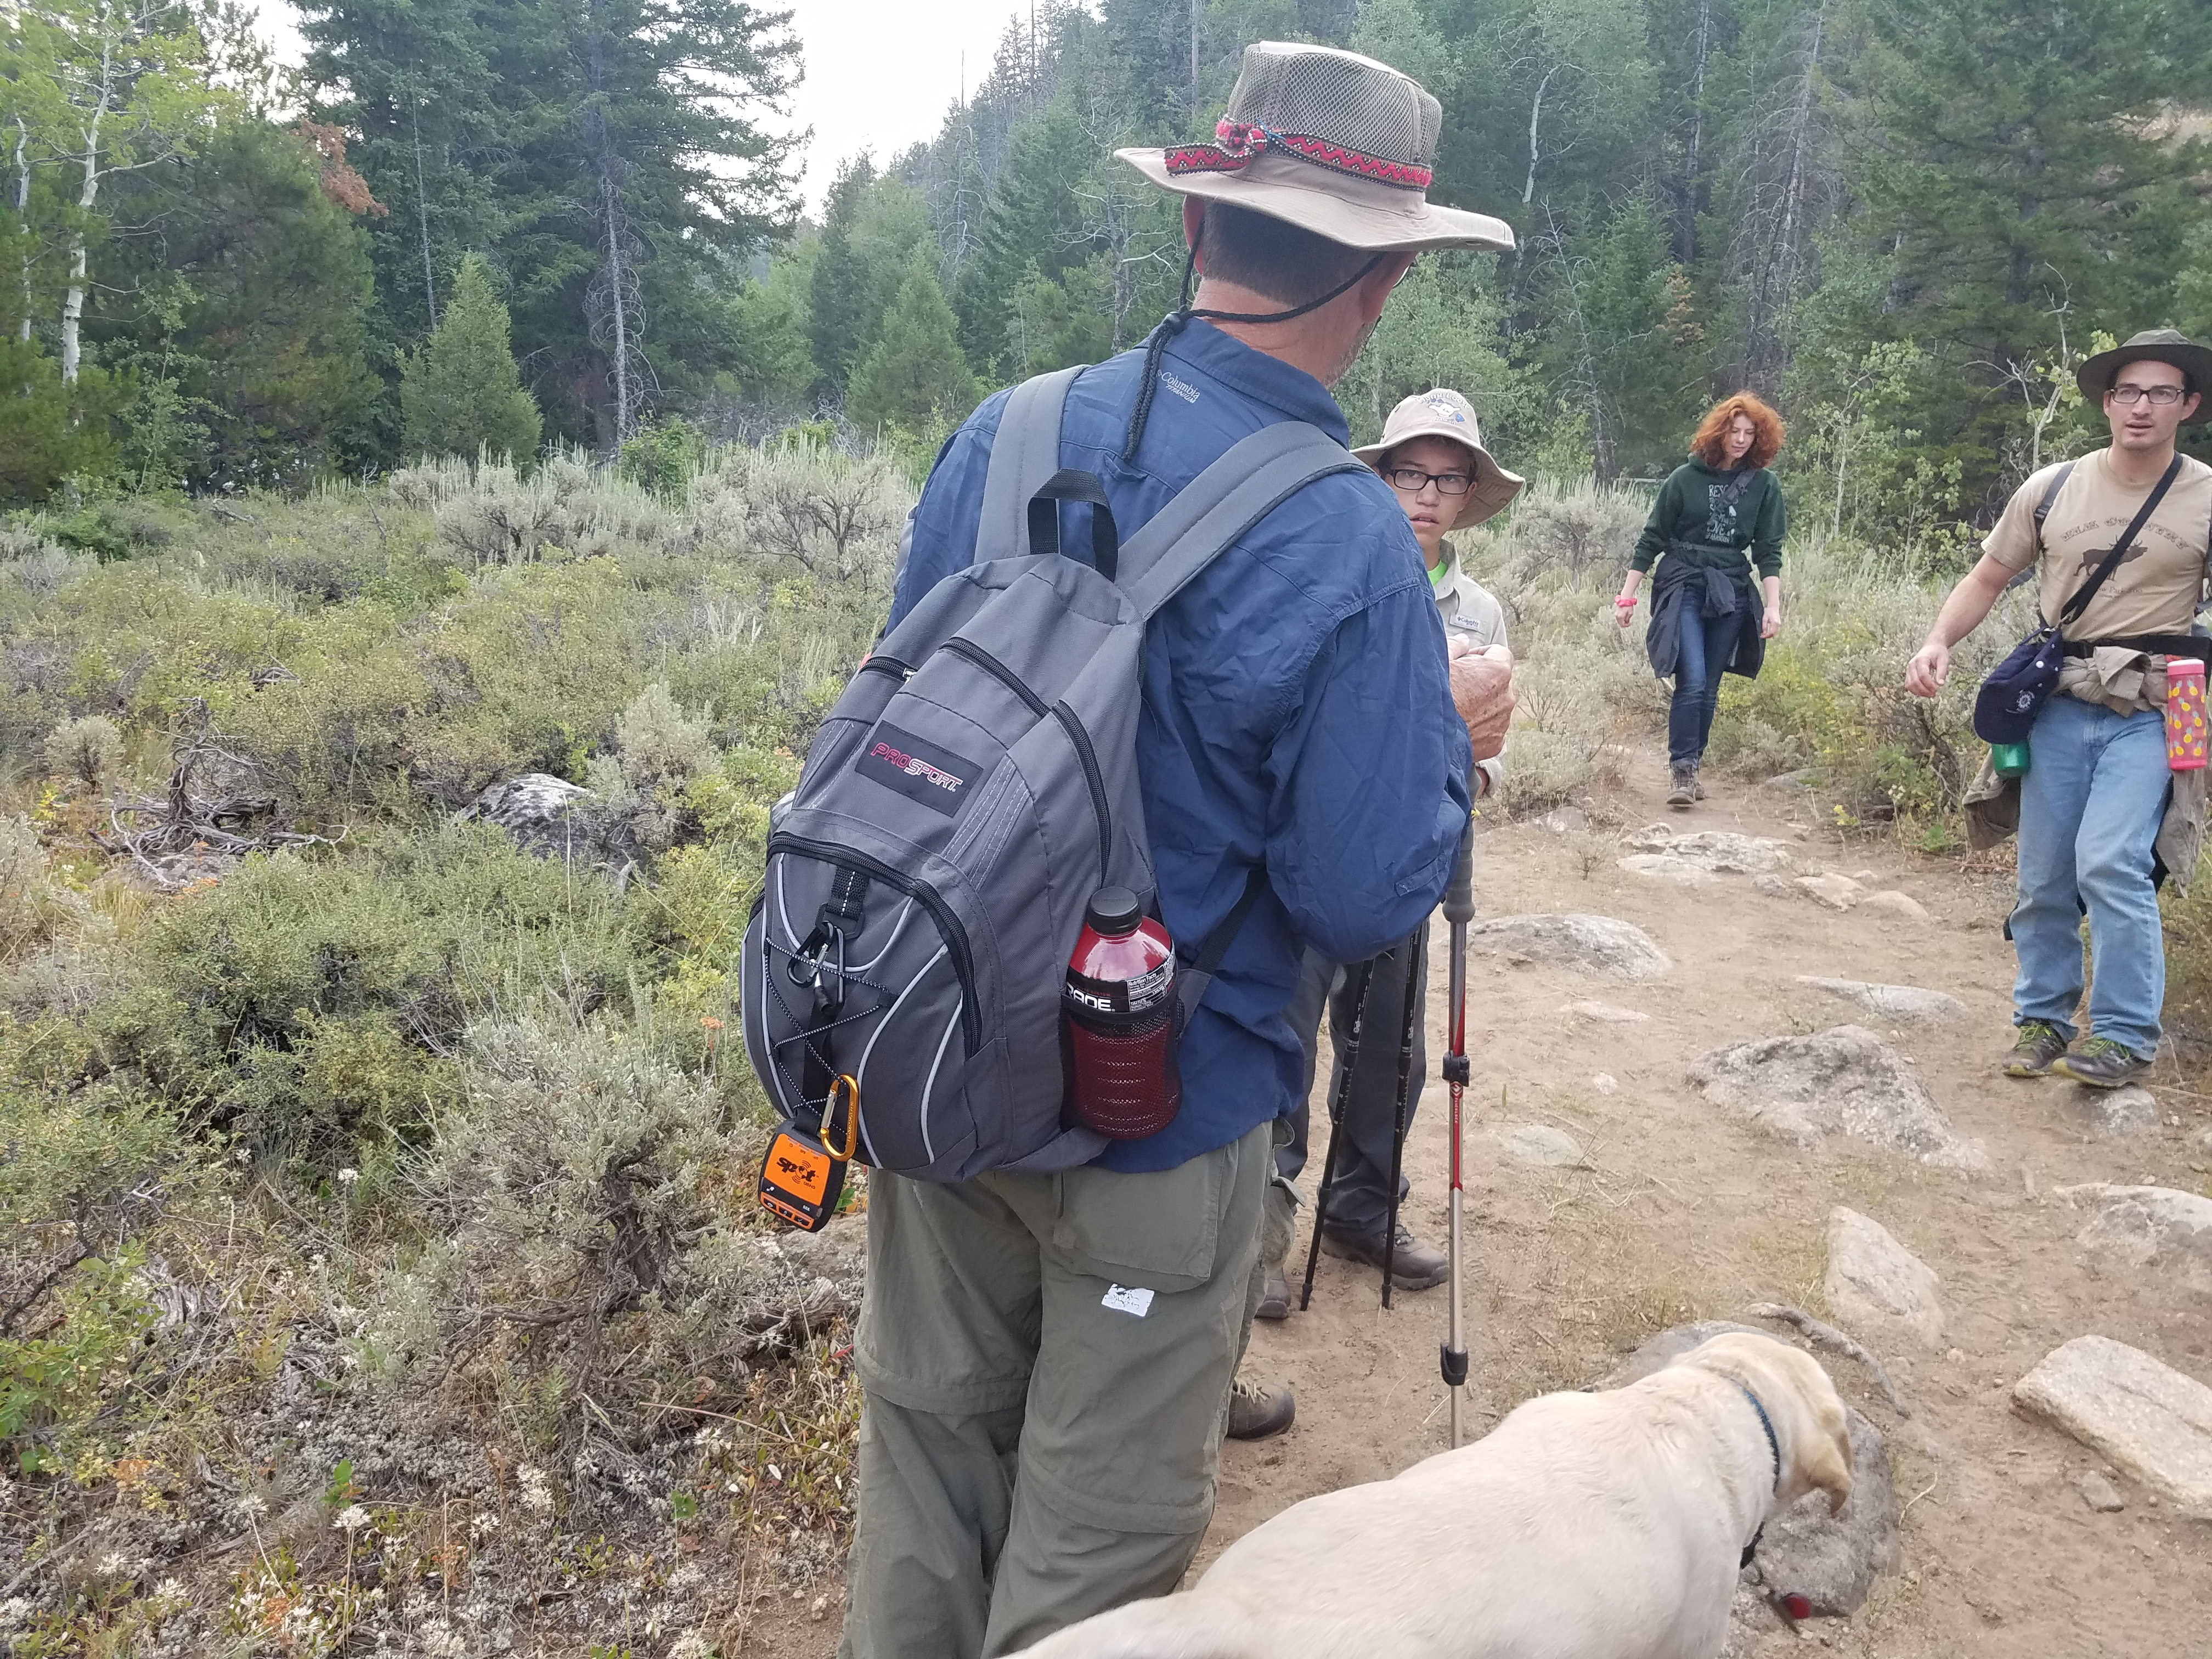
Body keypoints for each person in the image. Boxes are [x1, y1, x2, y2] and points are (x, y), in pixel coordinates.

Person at [837, 43, 1517, 1659]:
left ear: (1203, 225)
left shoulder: (1000, 434)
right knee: (1098, 1540)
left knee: (927, 1460)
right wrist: (1453, 748)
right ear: (1390, 277)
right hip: (1171, 1107)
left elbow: (906, 731)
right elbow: (1362, 896)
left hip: (940, 1057)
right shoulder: (1348, 533)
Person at [1244, 388, 1520, 1340]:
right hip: (1317, 845)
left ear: (1469, 491)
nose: (1428, 492)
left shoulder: (1481, 608)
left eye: (1449, 476)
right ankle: (1264, 1226)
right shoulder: (1334, 571)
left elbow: (1486, 743)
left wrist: (1454, 785)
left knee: (1392, 1039)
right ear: (1383, 476)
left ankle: (1362, 1209)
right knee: (1287, 1024)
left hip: (1416, 851)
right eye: (1410, 471)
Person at [1906, 329, 2212, 1088]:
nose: (2142, 408)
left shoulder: (2206, 494)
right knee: (2044, 875)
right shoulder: (2052, 488)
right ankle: (2042, 1019)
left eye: (2161, 393)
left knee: (2113, 862)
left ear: (2189, 406)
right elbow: (1988, 577)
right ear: (2107, 402)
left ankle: (2122, 1036)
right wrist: (1937, 640)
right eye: (2128, 392)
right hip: (2058, 700)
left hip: (2157, 703)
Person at [1615, 394, 1788, 806]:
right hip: (1684, 583)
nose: (1742, 440)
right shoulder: (1684, 479)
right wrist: (1627, 596)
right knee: (1690, 677)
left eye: (1750, 433)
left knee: (1709, 685)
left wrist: (1774, 606)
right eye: (1735, 431)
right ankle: (1681, 768)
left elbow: (1769, 551)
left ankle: (1692, 767)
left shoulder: (1765, 487)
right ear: (1719, 432)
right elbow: (1651, 538)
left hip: (1730, 589)